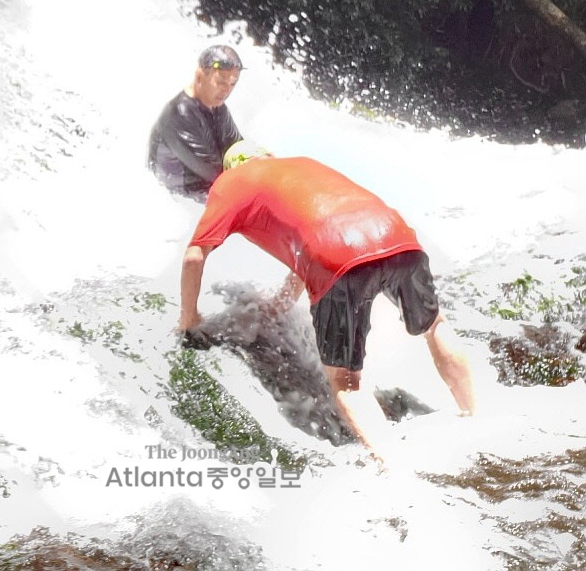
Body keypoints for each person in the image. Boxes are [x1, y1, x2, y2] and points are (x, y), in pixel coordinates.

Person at [178, 142, 477, 463]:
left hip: (338, 256)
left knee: (347, 381)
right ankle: (475, 418)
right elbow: (310, 231)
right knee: (434, 327)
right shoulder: (300, 164)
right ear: (267, 156)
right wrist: (281, 303)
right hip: (397, 237)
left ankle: (395, 467)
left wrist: (189, 319)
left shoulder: (232, 182)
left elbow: (195, 256)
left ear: (231, 168)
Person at [147, 45, 243, 202]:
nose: (226, 90)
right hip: (176, 200)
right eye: (220, 82)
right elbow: (214, 172)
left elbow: (238, 148)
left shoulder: (219, 109)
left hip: (202, 192)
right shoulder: (179, 114)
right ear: (199, 77)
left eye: (232, 83)